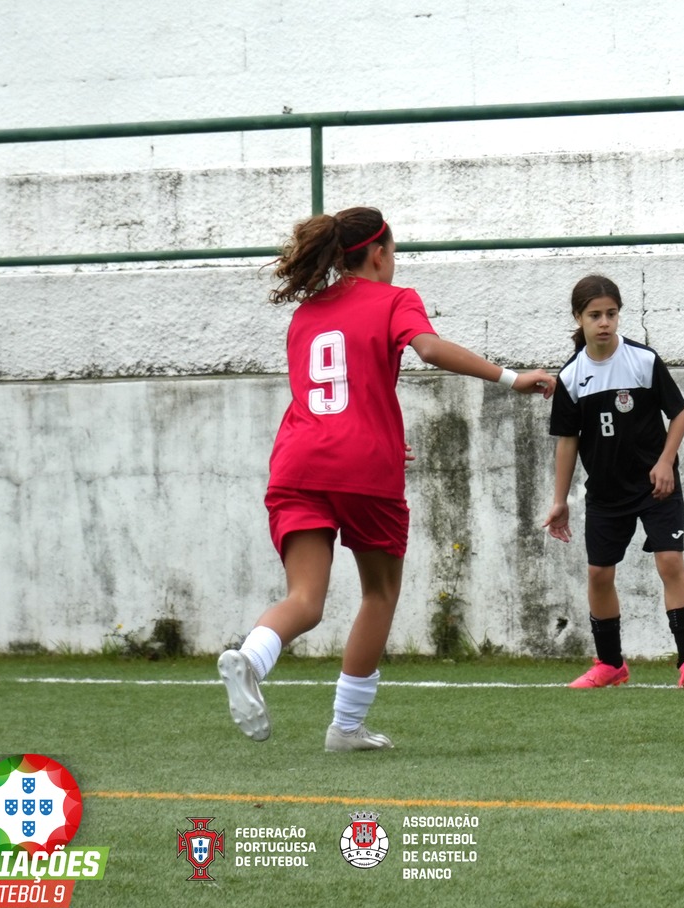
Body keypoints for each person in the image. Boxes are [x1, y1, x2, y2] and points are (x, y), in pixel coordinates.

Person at [217, 206, 554, 750]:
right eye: (393, 252)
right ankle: (345, 728)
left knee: (304, 597)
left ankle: (252, 657)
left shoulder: (305, 315)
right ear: (378, 253)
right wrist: (511, 377)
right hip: (363, 469)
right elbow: (428, 348)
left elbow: (331, 398)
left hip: (297, 461)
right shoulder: (397, 299)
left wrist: (378, 436)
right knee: (380, 591)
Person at [542, 274, 684, 691]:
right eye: (595, 315)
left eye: (611, 313)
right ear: (578, 318)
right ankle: (610, 664)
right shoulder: (571, 377)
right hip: (605, 494)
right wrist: (559, 500)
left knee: (670, 562)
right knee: (600, 574)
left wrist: (665, 462)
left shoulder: (643, 360)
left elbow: (680, 413)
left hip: (657, 487)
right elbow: (568, 442)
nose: (604, 322)